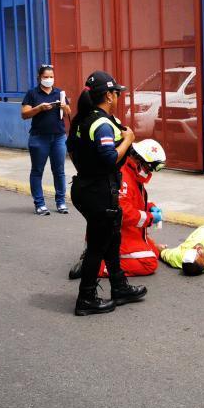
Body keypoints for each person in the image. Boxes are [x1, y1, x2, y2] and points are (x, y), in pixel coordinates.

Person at [67, 70, 146, 316]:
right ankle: (86, 298)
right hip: (98, 190)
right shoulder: (100, 123)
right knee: (98, 246)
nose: (119, 97)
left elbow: (73, 149)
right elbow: (109, 159)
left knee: (111, 238)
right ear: (109, 96)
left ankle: (119, 287)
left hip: (88, 186)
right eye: (117, 93)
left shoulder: (84, 118)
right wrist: (128, 139)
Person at [68, 139, 167, 280]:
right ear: (140, 161)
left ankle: (97, 257)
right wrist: (150, 218)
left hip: (116, 230)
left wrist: (151, 207)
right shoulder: (124, 176)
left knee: (153, 251)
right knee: (149, 263)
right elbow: (124, 213)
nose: (150, 171)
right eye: (151, 167)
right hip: (115, 232)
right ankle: (95, 266)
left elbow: (135, 200)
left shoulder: (130, 172)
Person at [21, 64, 71, 215]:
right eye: (46, 77)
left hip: (58, 137)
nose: (49, 79)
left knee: (59, 171)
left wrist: (64, 106)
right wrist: (39, 108)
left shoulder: (59, 93)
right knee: (37, 170)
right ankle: (40, 203)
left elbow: (69, 111)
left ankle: (61, 202)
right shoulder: (32, 93)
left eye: (51, 77)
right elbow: (24, 114)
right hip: (39, 138)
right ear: (39, 78)